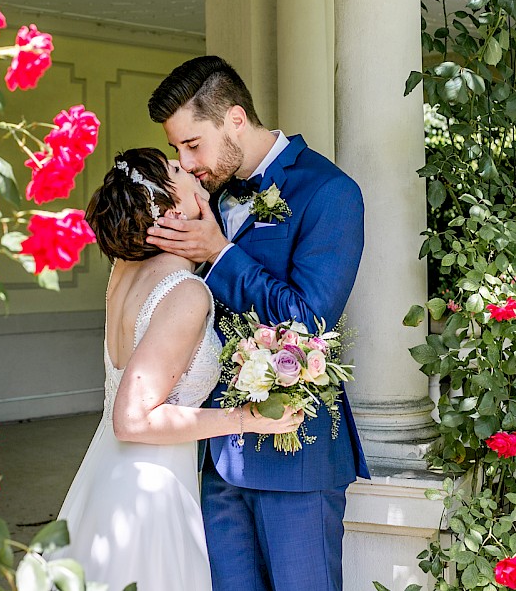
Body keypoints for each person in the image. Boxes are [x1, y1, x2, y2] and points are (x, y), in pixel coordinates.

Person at [145, 56, 370, 591]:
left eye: (192, 144)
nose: (185, 161)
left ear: (235, 119)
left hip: (295, 454)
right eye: (176, 148)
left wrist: (221, 255)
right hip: (213, 458)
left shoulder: (330, 192)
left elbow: (310, 319)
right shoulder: (209, 197)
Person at [54, 147, 303, 590]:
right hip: (151, 490)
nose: (187, 168)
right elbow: (134, 418)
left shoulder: (124, 271)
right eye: (174, 169)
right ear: (165, 208)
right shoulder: (185, 292)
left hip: (107, 473)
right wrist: (245, 419)